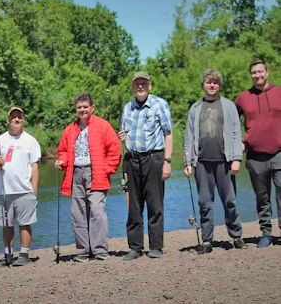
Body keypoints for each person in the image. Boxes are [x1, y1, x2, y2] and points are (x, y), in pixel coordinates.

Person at [184, 69, 246, 254]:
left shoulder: (228, 106)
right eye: (208, 82)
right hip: (202, 162)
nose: (212, 85)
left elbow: (236, 134)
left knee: (230, 201)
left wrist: (236, 159)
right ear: (203, 84)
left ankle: (236, 236)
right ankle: (207, 240)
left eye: (215, 82)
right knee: (205, 202)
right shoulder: (195, 108)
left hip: (224, 161)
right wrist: (188, 162)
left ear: (219, 85)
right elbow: (188, 137)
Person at [55, 93, 121, 262]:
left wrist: (106, 169)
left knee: (97, 212)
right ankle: (83, 251)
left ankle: (99, 250)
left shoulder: (103, 126)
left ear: (92, 108)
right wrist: (61, 161)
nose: (82, 109)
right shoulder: (70, 129)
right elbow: (62, 150)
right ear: (76, 109)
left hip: (96, 173)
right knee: (78, 214)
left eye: (85, 106)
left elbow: (115, 150)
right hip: (76, 174)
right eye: (79, 107)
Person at [118, 71, 173, 261]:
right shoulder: (127, 108)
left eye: (144, 83)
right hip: (132, 159)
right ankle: (135, 247)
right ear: (133, 86)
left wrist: (167, 161)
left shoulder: (160, 104)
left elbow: (168, 134)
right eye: (137, 83)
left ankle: (156, 246)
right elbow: (124, 133)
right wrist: (123, 139)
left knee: (155, 204)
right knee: (134, 205)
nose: (140, 86)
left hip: (154, 158)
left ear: (150, 86)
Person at [235, 60, 281, 248]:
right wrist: (237, 141)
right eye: (254, 72)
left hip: (279, 153)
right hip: (255, 156)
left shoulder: (279, 92)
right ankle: (266, 233)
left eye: (260, 71)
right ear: (251, 75)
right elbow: (230, 120)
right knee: (262, 197)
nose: (257, 75)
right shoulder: (243, 97)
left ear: (267, 73)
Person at [0, 107, 41, 266]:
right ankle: (8, 255)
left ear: (23, 120)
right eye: (13, 117)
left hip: (24, 190)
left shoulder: (30, 140)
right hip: (3, 191)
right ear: (8, 120)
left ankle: (24, 254)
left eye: (19, 117)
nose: (16, 120)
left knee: (25, 223)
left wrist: (34, 191)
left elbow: (34, 167)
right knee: (6, 224)